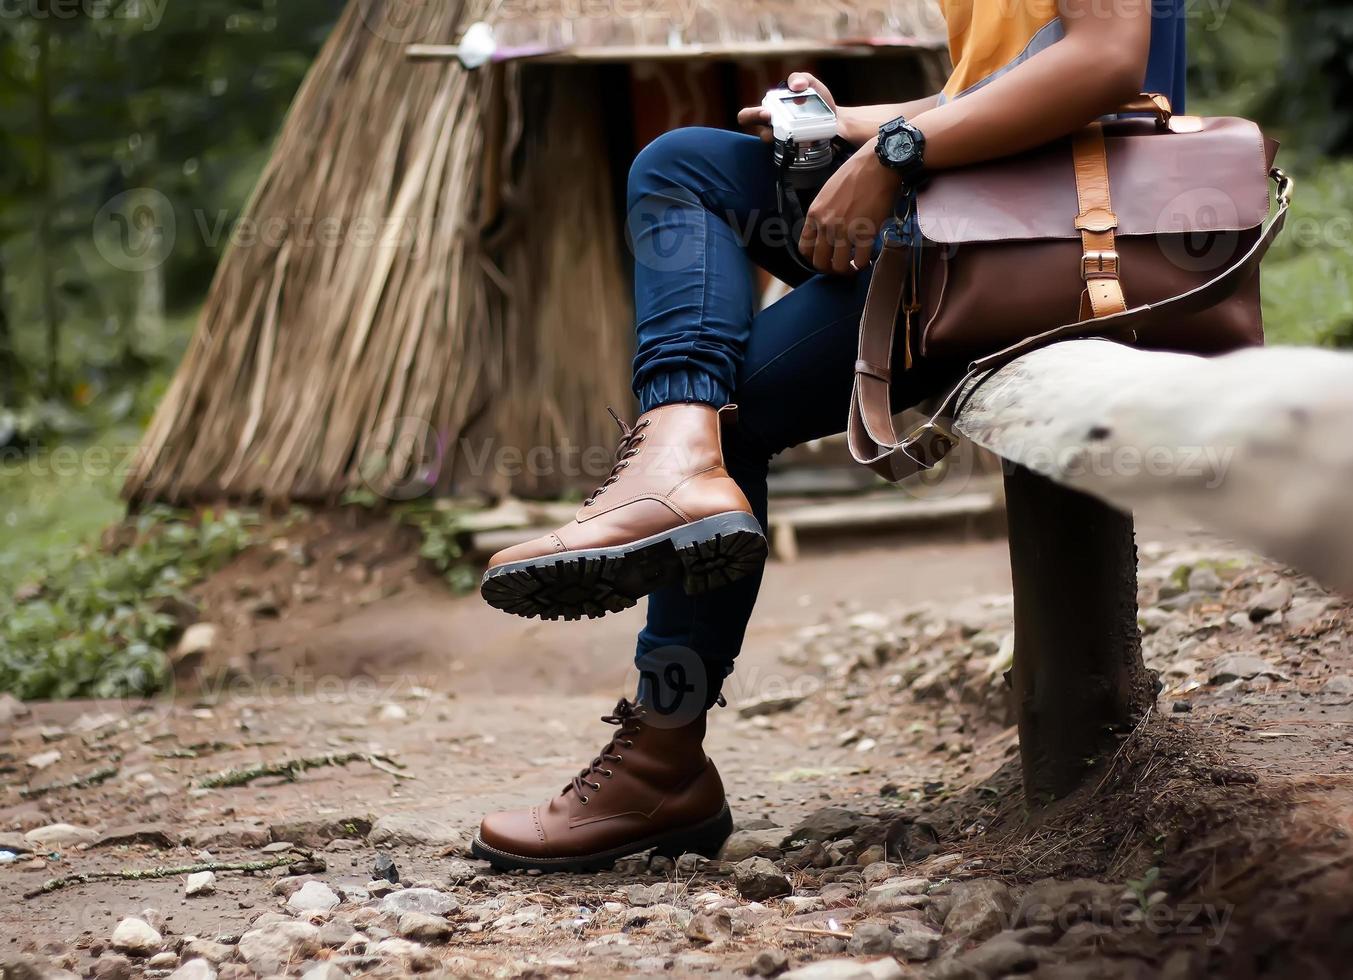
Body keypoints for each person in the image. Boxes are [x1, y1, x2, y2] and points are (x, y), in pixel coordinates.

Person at [471, 0, 1187, 870]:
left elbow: (1108, 64)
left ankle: (662, 755)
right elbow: (995, 91)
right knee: (683, 169)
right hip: (976, 204)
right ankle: (675, 456)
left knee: (721, 404)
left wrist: (895, 153)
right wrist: (850, 124)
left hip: (1048, 232)